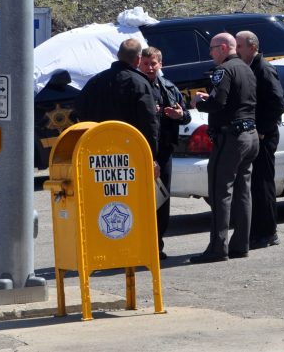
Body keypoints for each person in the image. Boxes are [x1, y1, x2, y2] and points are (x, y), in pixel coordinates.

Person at [189, 32, 259, 263]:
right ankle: (241, 244)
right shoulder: (247, 68)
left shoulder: (223, 70)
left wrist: (200, 103)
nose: (210, 54)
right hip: (250, 135)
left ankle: (218, 248)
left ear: (221, 48)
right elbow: (236, 99)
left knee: (221, 192)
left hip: (231, 138)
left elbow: (218, 103)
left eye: (211, 49)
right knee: (243, 192)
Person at [75, 38, 160, 175]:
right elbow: (149, 123)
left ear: (118, 56)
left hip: (99, 154)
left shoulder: (95, 81)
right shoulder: (140, 83)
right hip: (132, 153)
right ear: (138, 60)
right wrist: (151, 156)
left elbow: (79, 110)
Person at [139, 46, 191, 260]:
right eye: (146, 64)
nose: (150, 68)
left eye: (154, 64)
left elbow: (186, 116)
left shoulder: (169, 87)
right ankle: (141, 245)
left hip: (164, 152)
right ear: (139, 64)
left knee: (161, 199)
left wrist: (178, 115)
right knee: (141, 201)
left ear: (161, 64)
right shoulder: (137, 86)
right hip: (141, 151)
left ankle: (157, 246)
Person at [236, 31, 284, 250]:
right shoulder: (248, 67)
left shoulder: (264, 69)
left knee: (263, 184)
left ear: (252, 47)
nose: (236, 50)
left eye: (240, 46)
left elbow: (277, 103)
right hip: (254, 134)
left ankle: (268, 233)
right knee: (254, 185)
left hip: (264, 136)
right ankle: (256, 231)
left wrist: (263, 131)